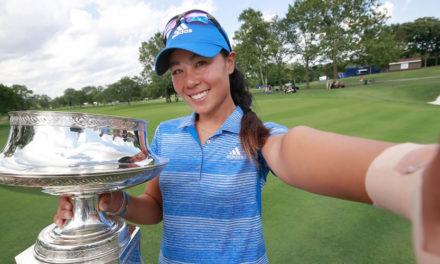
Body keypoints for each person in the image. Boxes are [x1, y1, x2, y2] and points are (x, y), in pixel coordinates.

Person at [54, 9, 440, 264]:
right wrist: (108, 200)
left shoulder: (256, 134)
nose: (189, 81)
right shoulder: (166, 134)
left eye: (201, 63)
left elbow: (292, 151)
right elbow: (154, 209)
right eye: (177, 70)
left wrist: (411, 176)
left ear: (230, 61)